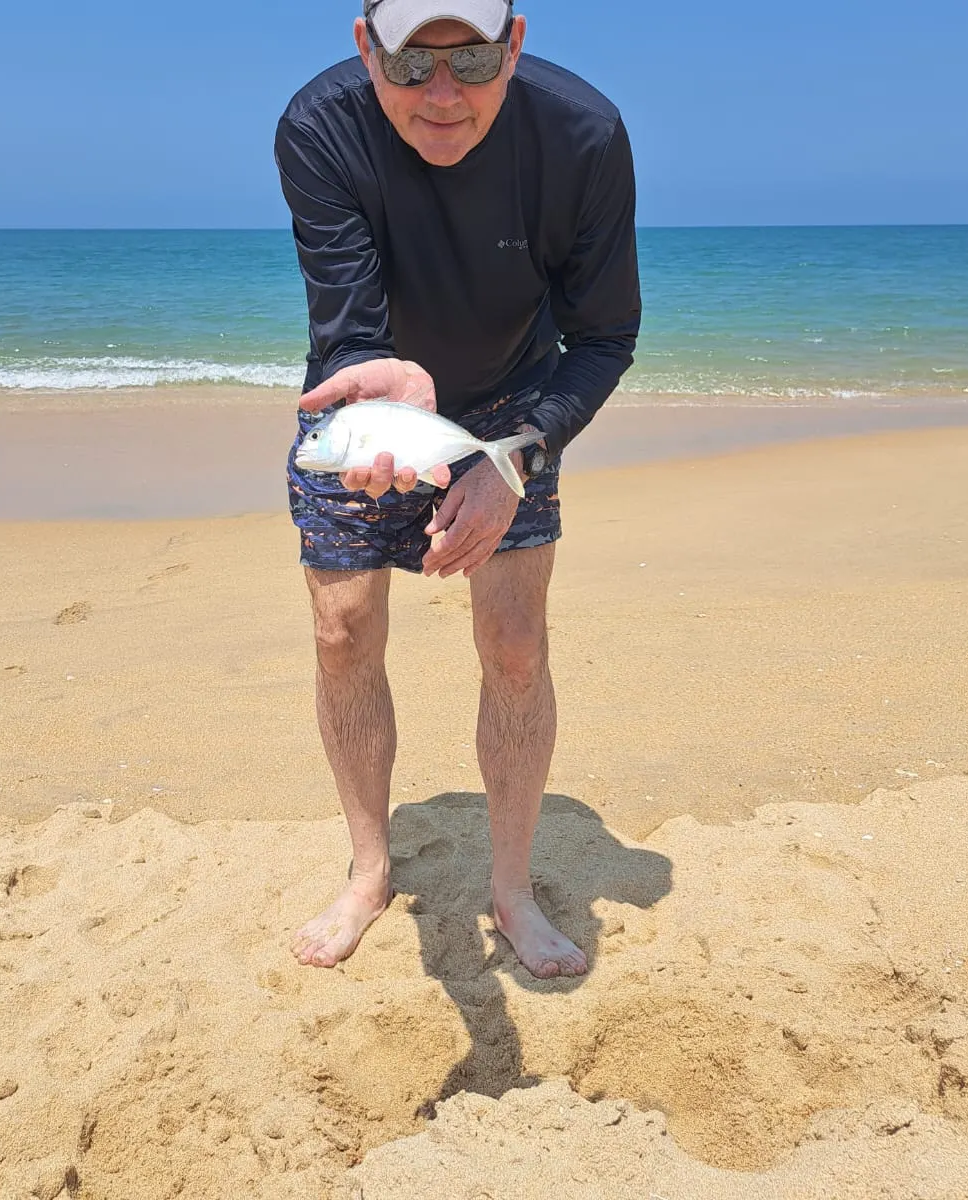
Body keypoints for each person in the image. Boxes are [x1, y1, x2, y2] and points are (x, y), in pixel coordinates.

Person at [276, 0, 641, 978]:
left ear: (514, 45)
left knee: (514, 647)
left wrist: (510, 457)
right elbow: (349, 325)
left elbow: (604, 336)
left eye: (473, 60)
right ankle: (367, 873)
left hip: (518, 407)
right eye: (411, 65)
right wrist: (392, 396)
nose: (443, 94)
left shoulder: (582, 136)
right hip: (374, 402)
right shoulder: (317, 129)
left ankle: (512, 890)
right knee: (342, 629)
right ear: (367, 49)